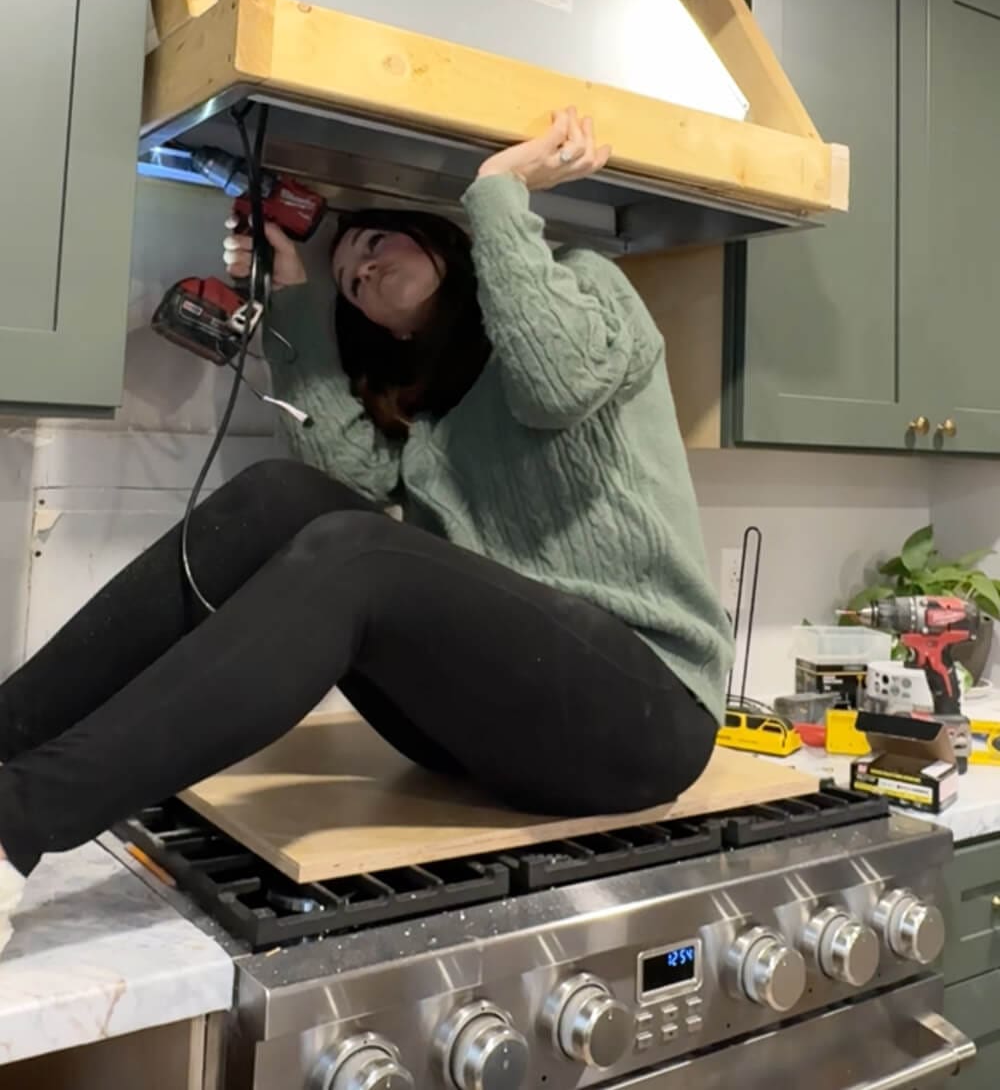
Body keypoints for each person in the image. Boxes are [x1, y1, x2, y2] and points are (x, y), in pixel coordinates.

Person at [0, 108, 732, 953]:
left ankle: (18, 821)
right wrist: (300, 287)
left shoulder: (588, 285)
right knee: (281, 494)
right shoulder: (426, 435)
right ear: (385, 329)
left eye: (380, 242)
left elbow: (553, 383)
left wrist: (499, 191)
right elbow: (331, 488)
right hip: (491, 727)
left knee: (362, 555)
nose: (367, 267)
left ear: (448, 246)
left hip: (646, 712)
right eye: (353, 280)